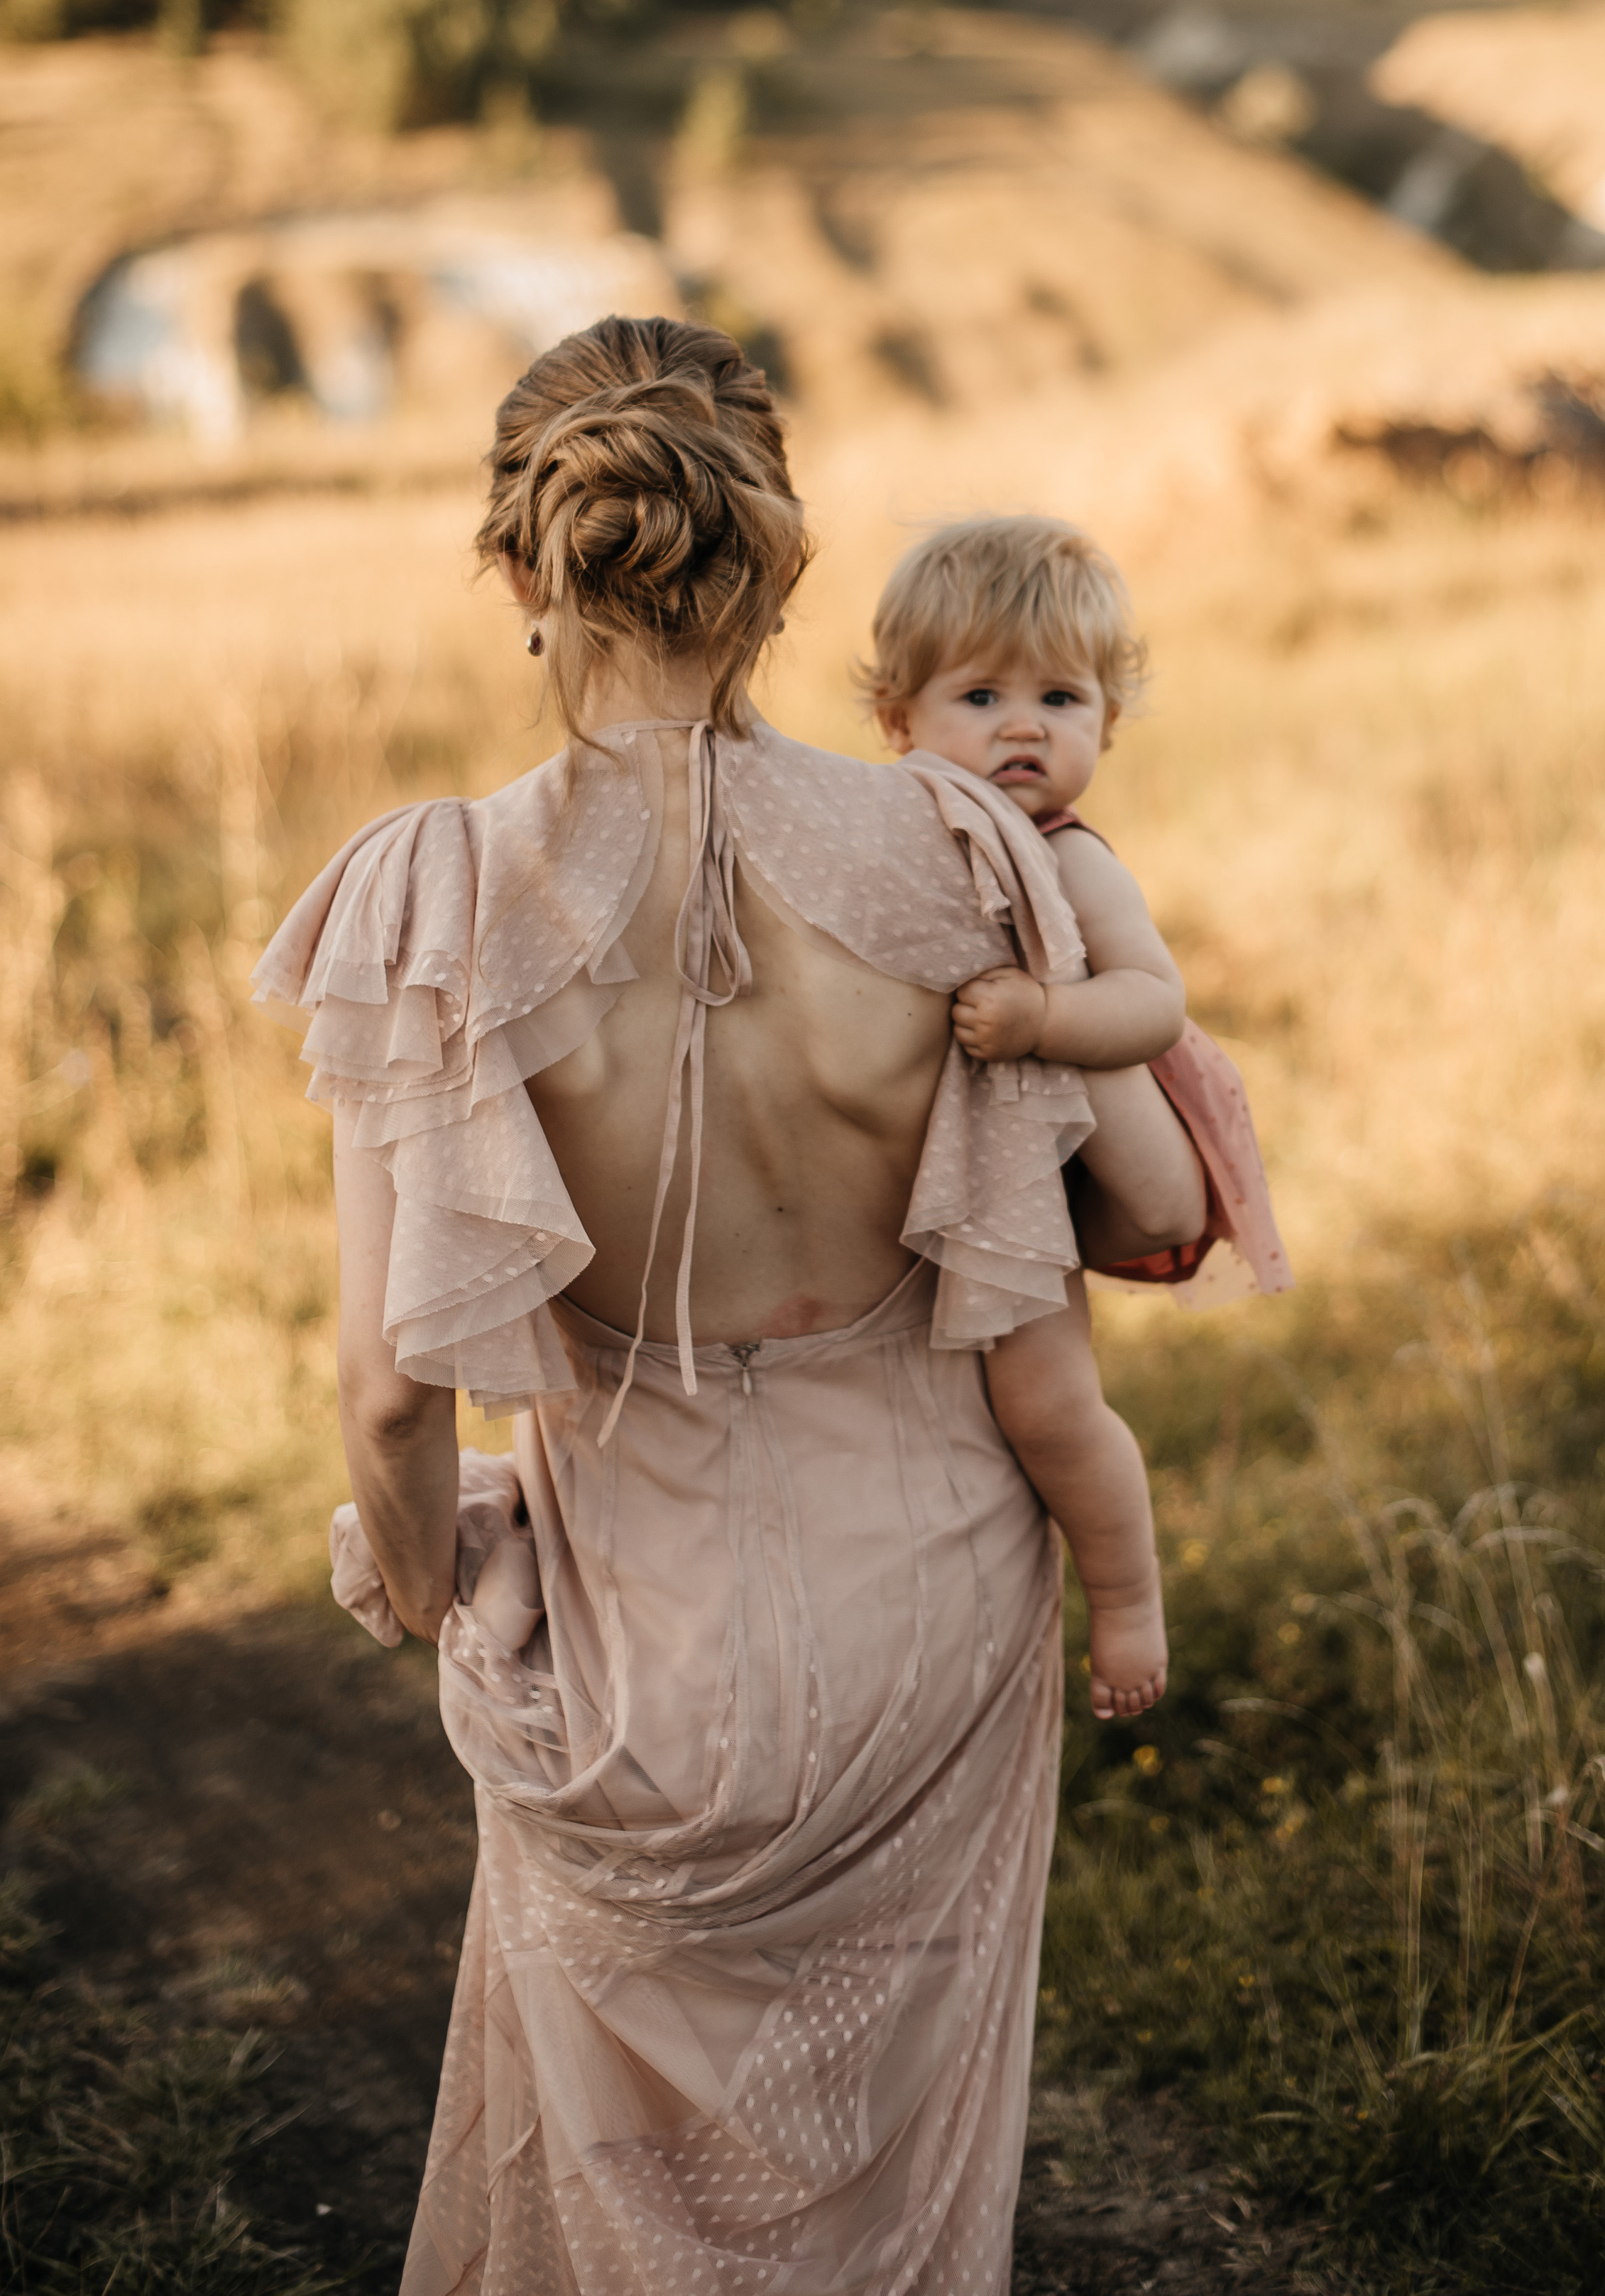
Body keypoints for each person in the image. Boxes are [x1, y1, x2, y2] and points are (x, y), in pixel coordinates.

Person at [254, 317, 1285, 2293]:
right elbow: (1154, 1204)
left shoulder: (443, 892)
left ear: (521, 569)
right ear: (787, 567)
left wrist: (415, 1586)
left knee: (621, 2173)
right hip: (940, 1592)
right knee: (901, 2155)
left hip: (640, 1627)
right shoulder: (965, 841)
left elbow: (391, 1396)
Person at [866, 517, 1292, 1728]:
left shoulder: (1074, 860)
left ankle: (1127, 1600)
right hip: (929, 1169)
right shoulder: (884, 837)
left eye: (1061, 696)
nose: (1023, 725)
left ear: (1107, 721)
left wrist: (1047, 1014)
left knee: (1048, 1402)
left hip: (1040, 1178)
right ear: (898, 718)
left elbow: (1156, 1005)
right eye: (982, 693)